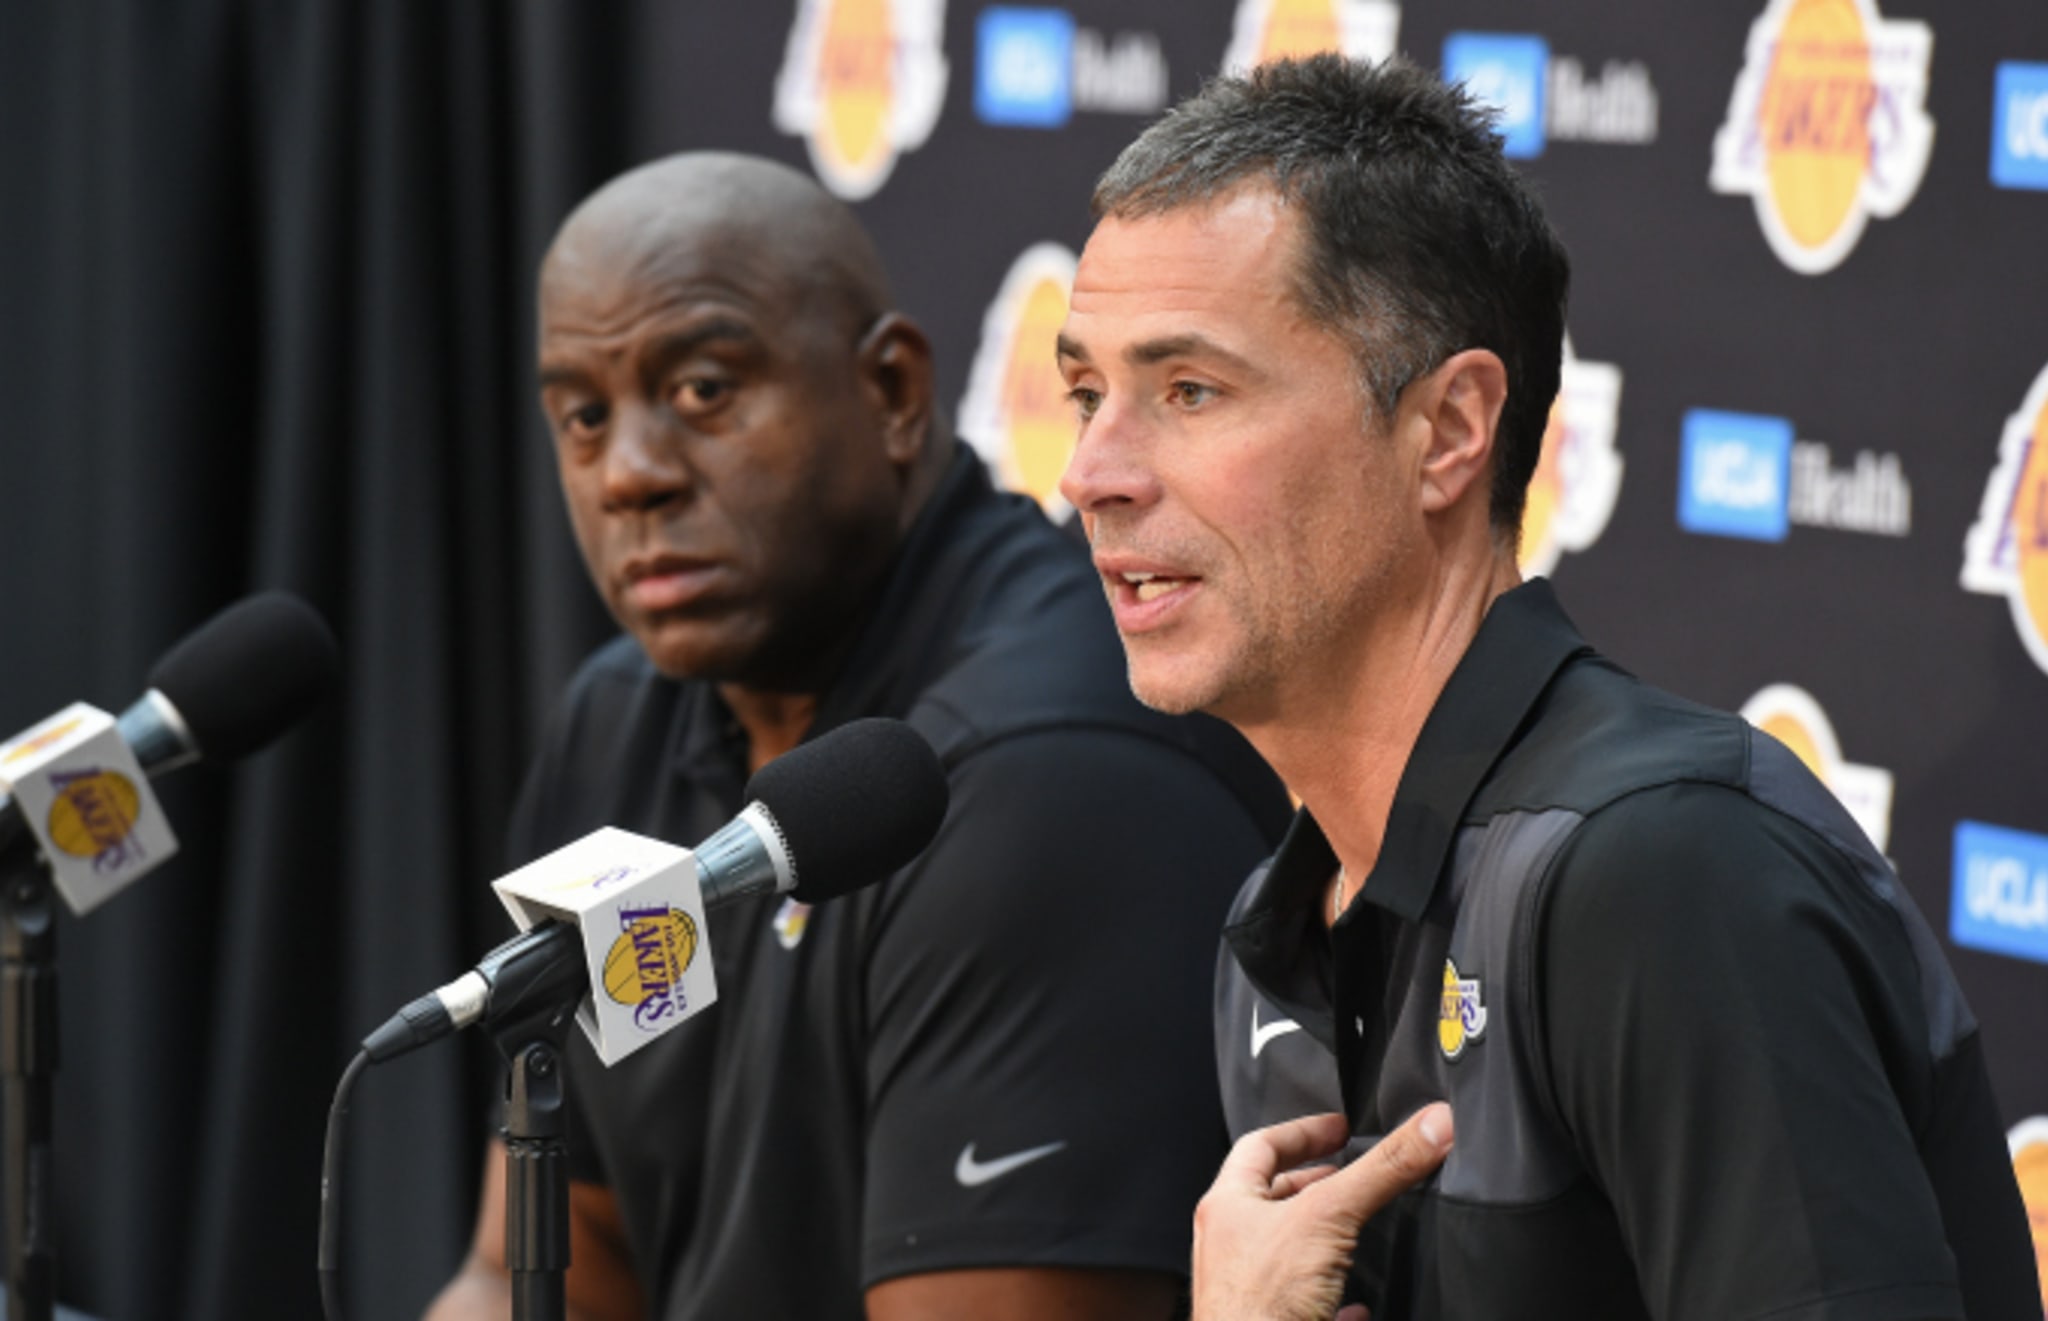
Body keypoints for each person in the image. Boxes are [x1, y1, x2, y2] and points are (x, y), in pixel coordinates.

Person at [1056, 54, 2043, 1321]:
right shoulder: (1276, 925)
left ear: (1450, 430)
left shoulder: (1659, 868)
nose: (1092, 471)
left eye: (1188, 391)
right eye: (1085, 393)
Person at [423, 152, 1293, 1320]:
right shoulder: (617, 723)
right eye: (584, 416)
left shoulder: (1046, 773)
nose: (629, 473)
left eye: (702, 390)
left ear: (890, 392)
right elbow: (533, 1267)